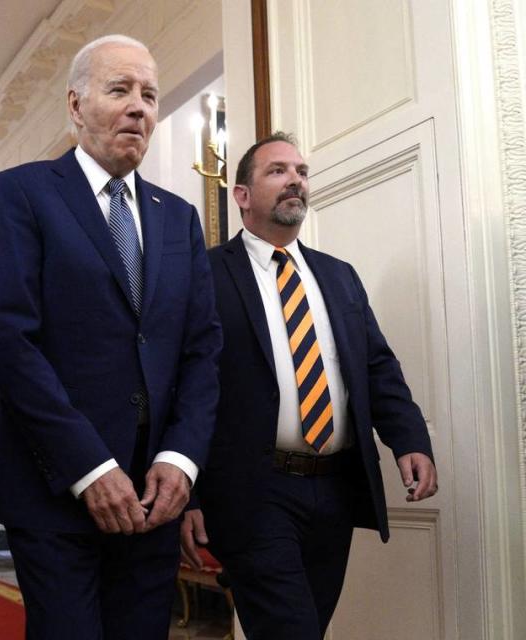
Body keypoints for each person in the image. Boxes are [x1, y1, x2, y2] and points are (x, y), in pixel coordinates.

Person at [0, 34, 222, 640]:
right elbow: (11, 341)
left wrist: (181, 458)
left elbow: (201, 350)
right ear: (74, 104)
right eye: (120, 90)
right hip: (58, 492)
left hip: (153, 496)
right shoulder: (22, 193)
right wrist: (90, 467)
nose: (139, 106)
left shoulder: (179, 216)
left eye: (149, 94)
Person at [181, 132, 438, 639]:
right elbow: (184, 387)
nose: (294, 179)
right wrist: (188, 492)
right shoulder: (205, 275)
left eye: (300, 171)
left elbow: (377, 367)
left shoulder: (338, 276)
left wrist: (409, 439)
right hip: (254, 492)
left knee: (308, 628)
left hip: (335, 488)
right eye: (277, 171)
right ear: (242, 195)